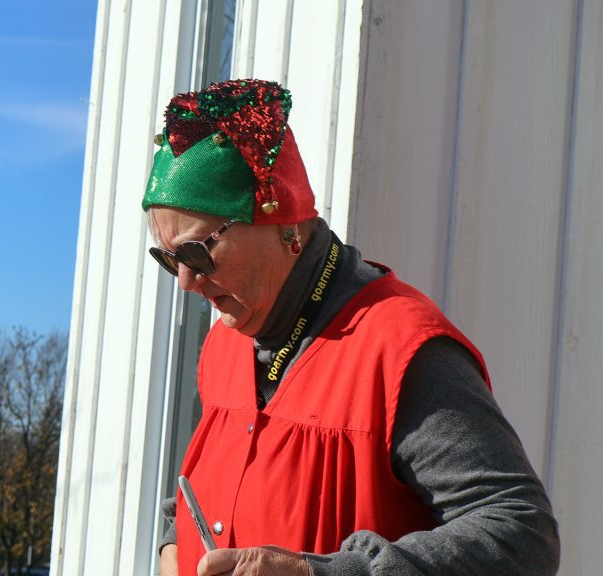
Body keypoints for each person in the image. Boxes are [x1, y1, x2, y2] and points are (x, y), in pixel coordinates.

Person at [143, 79, 560, 576]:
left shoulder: (402, 348)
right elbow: (218, 479)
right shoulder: (227, 339)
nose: (186, 282)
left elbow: (522, 533)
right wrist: (175, 544)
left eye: (195, 251)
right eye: (168, 259)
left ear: (286, 226)